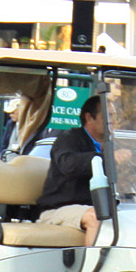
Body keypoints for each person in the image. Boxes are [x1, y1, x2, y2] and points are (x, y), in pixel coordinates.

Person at [30, 95, 106, 247]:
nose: (114, 122)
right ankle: (94, 269)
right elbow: (69, 165)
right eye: (108, 117)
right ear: (89, 117)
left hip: (94, 205)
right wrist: (104, 158)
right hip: (58, 208)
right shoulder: (68, 138)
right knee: (96, 218)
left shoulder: (112, 143)